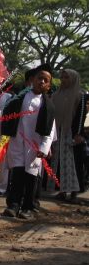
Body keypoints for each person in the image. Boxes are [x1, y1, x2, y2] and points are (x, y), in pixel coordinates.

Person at [0, 64, 56, 219]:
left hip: (35, 144)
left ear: (48, 85)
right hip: (18, 140)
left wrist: (44, 147)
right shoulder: (20, 97)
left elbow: (50, 129)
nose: (42, 82)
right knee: (17, 173)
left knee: (31, 177)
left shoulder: (48, 105)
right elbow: (7, 114)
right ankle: (13, 205)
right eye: (39, 78)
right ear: (33, 80)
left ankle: (28, 207)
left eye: (46, 80)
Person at [49, 69, 87, 202]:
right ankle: (62, 191)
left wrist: (78, 133)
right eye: (62, 77)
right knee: (59, 162)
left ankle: (74, 193)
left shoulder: (79, 95)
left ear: (73, 79)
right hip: (58, 133)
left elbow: (81, 115)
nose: (63, 80)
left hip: (72, 133)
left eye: (66, 78)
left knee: (74, 163)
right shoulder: (56, 94)